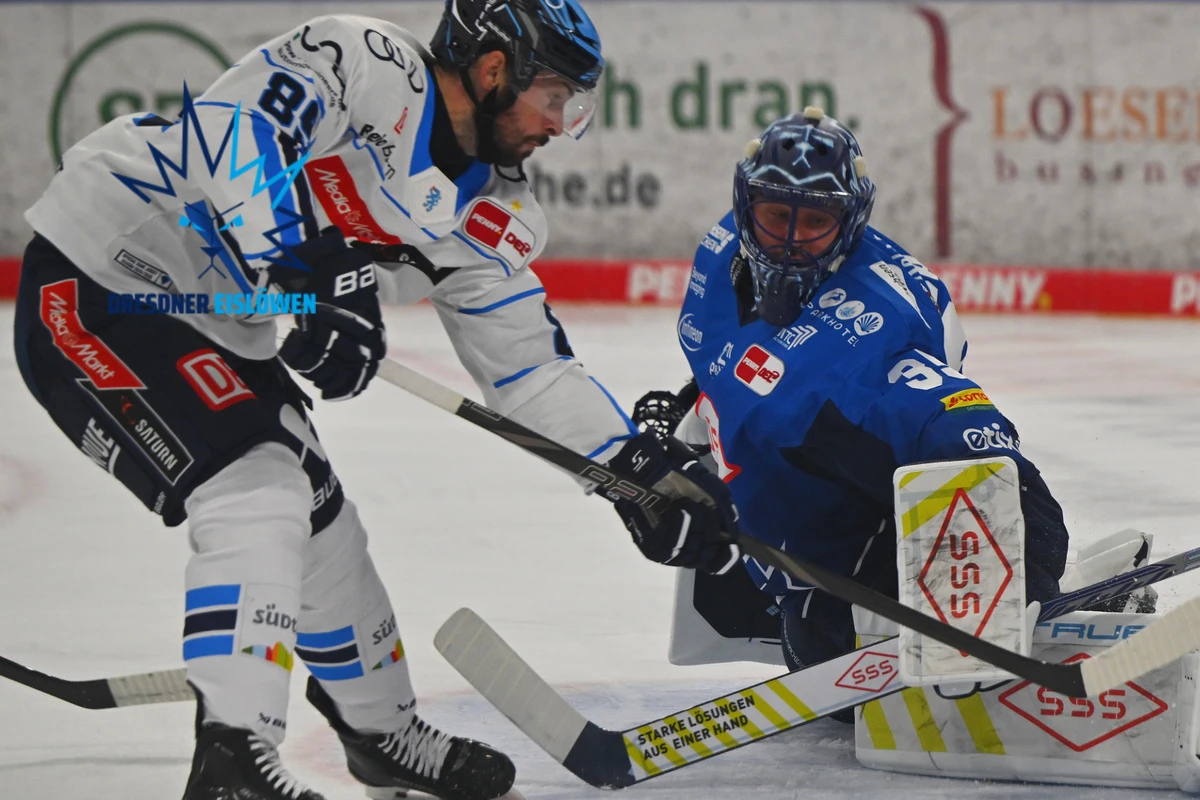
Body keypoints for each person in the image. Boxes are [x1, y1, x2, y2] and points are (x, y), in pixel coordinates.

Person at [12, 3, 736, 799]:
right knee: (258, 490)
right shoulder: (362, 59)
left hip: (219, 327)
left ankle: (380, 734)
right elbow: (238, 129)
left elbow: (527, 370)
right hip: (102, 278)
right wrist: (300, 269)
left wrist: (627, 469)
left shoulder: (489, 210)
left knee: (324, 525)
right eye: (555, 96)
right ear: (495, 69)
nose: (560, 125)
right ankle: (232, 761)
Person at [626, 108, 1074, 686]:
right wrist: (692, 402)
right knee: (812, 642)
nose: (789, 240)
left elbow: (965, 432)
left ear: (851, 222)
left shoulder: (867, 331)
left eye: (813, 220)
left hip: (868, 551)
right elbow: (734, 357)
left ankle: (975, 592)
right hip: (784, 531)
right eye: (776, 214)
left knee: (823, 651)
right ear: (745, 206)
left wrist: (1022, 569)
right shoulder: (719, 254)